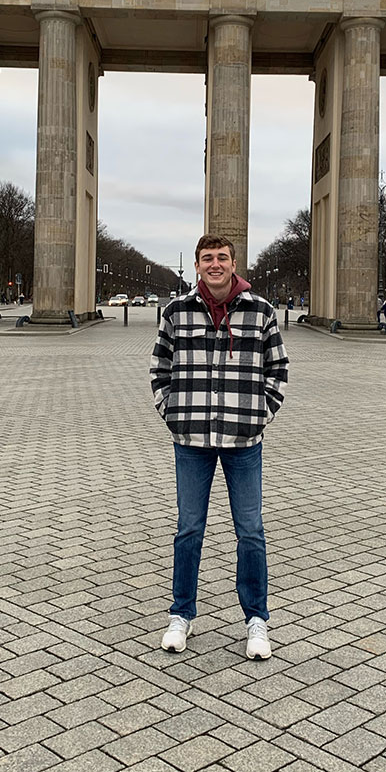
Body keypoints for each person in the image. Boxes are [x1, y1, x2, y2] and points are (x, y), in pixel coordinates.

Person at [150, 234, 288, 660]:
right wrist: (171, 411)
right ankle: (181, 614)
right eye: (207, 258)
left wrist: (258, 415)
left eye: (222, 258)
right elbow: (160, 367)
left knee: (251, 531)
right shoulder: (175, 311)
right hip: (190, 438)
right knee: (188, 529)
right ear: (196, 265)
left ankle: (257, 620)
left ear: (233, 263)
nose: (215, 264)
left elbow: (278, 368)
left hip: (242, 440)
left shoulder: (261, 311)